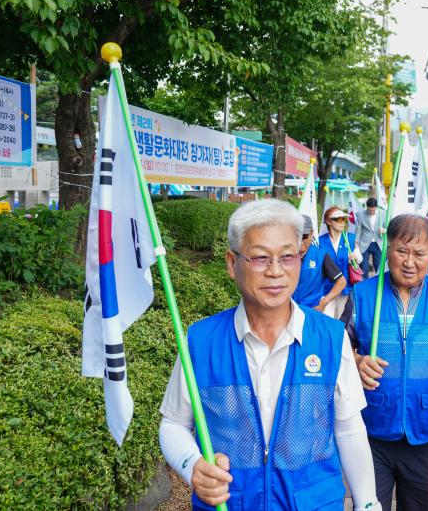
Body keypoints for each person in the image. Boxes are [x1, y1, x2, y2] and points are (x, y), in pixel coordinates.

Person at [158, 199, 379, 510]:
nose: (276, 271)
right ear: (231, 264)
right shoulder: (201, 341)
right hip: (231, 503)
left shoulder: (330, 337)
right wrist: (193, 465)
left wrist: (368, 503)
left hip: (312, 503)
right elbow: (174, 424)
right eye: (260, 258)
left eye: (288, 257)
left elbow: (348, 427)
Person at [341, 214, 428, 511]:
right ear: (387, 249)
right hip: (371, 436)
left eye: (419, 253)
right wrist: (357, 359)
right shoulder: (363, 295)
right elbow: (340, 350)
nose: (409, 261)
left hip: (426, 436)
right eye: (402, 251)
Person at [293, 215, 348, 312]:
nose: (300, 241)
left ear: (311, 234)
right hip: (288, 310)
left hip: (311, 310)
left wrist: (324, 302)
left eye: (304, 236)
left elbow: (341, 282)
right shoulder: (284, 254)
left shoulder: (321, 256)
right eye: (297, 236)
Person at [319, 206, 362, 318]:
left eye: (344, 219)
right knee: (327, 320)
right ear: (328, 221)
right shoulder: (320, 241)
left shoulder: (350, 239)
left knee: (342, 320)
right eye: (338, 219)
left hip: (346, 288)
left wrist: (355, 258)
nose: (342, 222)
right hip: (326, 290)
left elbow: (360, 259)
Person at [355, 197, 386, 276]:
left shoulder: (383, 214)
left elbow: (390, 228)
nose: (371, 212)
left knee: (379, 267)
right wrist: (356, 244)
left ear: (376, 207)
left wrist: (384, 230)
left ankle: (378, 286)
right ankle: (364, 286)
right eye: (369, 210)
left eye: (373, 210)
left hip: (378, 244)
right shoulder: (360, 214)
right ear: (366, 207)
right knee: (363, 269)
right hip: (364, 244)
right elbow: (358, 230)